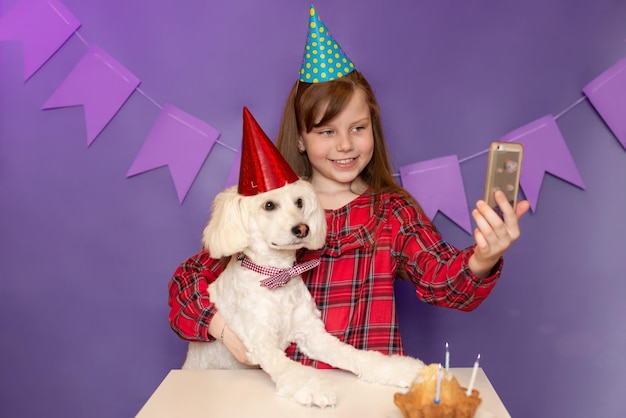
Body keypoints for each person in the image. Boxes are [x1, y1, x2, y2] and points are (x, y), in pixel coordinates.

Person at [168, 5, 530, 368]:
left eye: (357, 128)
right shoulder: (268, 210)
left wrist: (483, 258)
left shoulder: (392, 211)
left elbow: (444, 282)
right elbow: (187, 284)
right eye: (327, 132)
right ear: (301, 140)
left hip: (369, 391)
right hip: (286, 393)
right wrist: (229, 335)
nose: (345, 145)